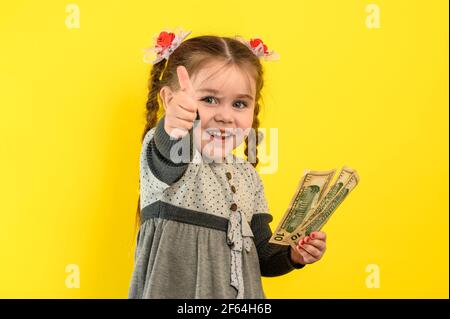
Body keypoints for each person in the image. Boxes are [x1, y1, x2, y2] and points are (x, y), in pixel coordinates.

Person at [128, 28, 327, 299]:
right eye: (209, 100)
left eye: (240, 104)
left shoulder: (248, 176)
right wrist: (175, 124)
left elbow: (262, 255)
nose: (225, 116)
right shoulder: (172, 151)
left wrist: (293, 254)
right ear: (169, 100)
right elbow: (168, 154)